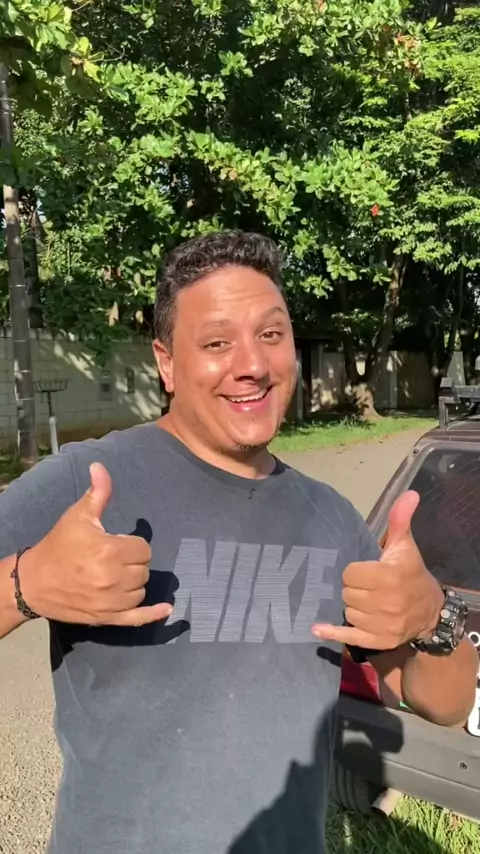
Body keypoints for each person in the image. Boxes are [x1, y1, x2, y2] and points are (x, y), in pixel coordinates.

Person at [0, 231, 477, 854]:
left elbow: (444, 705)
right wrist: (26, 584)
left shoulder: (331, 518)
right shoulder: (88, 481)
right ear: (167, 363)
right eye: (217, 342)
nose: (252, 364)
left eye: (271, 334)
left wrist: (434, 615)